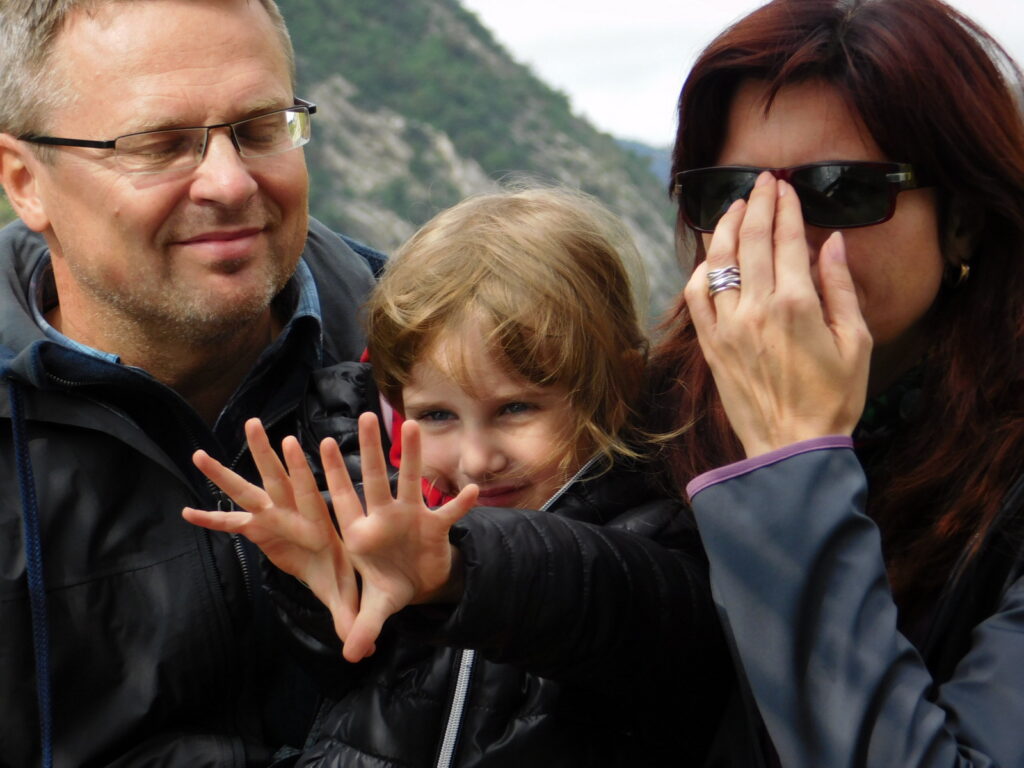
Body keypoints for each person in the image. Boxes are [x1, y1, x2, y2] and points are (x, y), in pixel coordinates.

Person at [184, 187, 729, 767]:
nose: (475, 459)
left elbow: (614, 604)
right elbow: (353, 681)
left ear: (617, 386)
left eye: (516, 408)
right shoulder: (399, 510)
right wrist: (320, 586)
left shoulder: (662, 529)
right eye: (437, 416)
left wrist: (456, 572)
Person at [0, 0, 384, 764]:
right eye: (160, 144)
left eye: (261, 128)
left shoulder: (438, 359)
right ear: (25, 181)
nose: (230, 183)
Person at [649, 0, 1024, 765]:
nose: (780, 235)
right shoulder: (653, 419)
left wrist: (791, 456)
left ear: (964, 221)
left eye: (840, 191)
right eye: (735, 193)